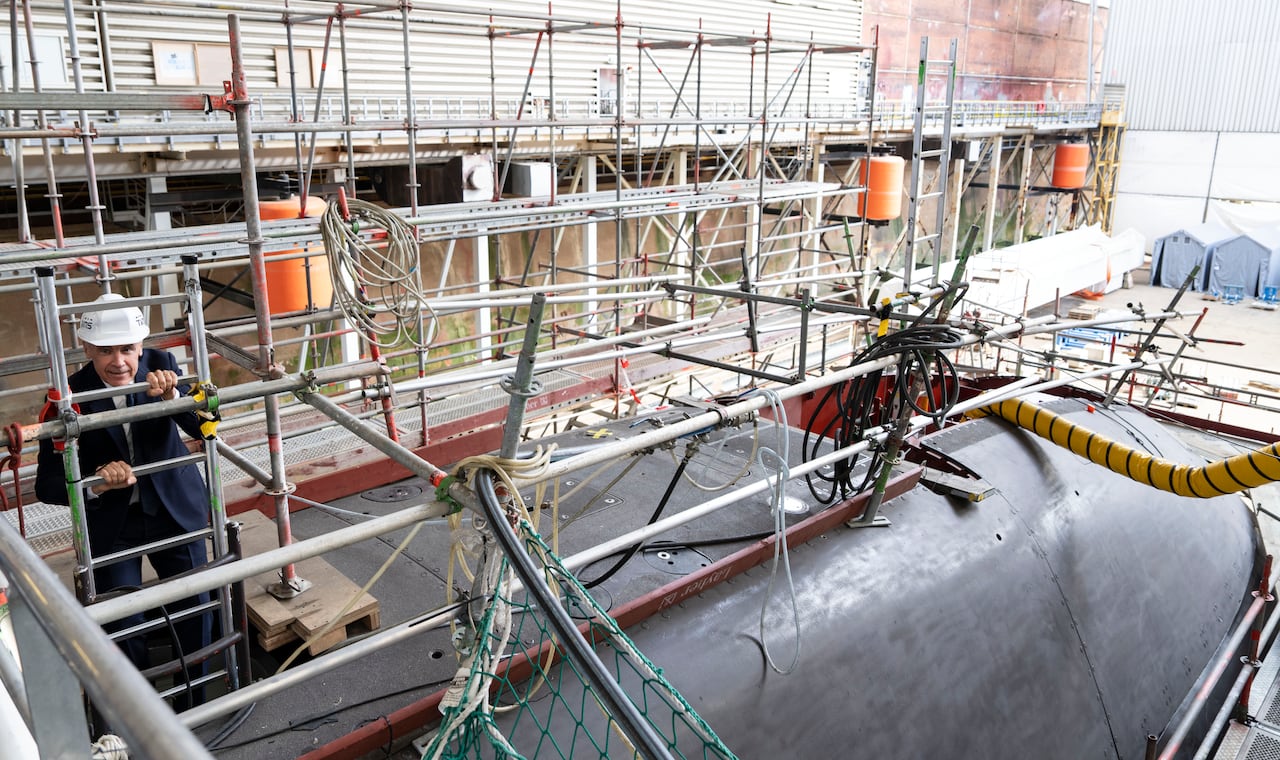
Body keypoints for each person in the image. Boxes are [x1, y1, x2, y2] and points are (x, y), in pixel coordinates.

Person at [35, 292, 213, 710]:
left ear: (141, 345)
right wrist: (94, 484)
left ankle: (198, 706)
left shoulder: (165, 367)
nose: (119, 361)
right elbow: (46, 484)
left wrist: (175, 398)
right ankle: (136, 716)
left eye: (128, 349)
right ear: (87, 349)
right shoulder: (65, 397)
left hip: (175, 509)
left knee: (195, 609)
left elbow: (210, 428)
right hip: (115, 525)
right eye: (106, 351)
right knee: (123, 623)